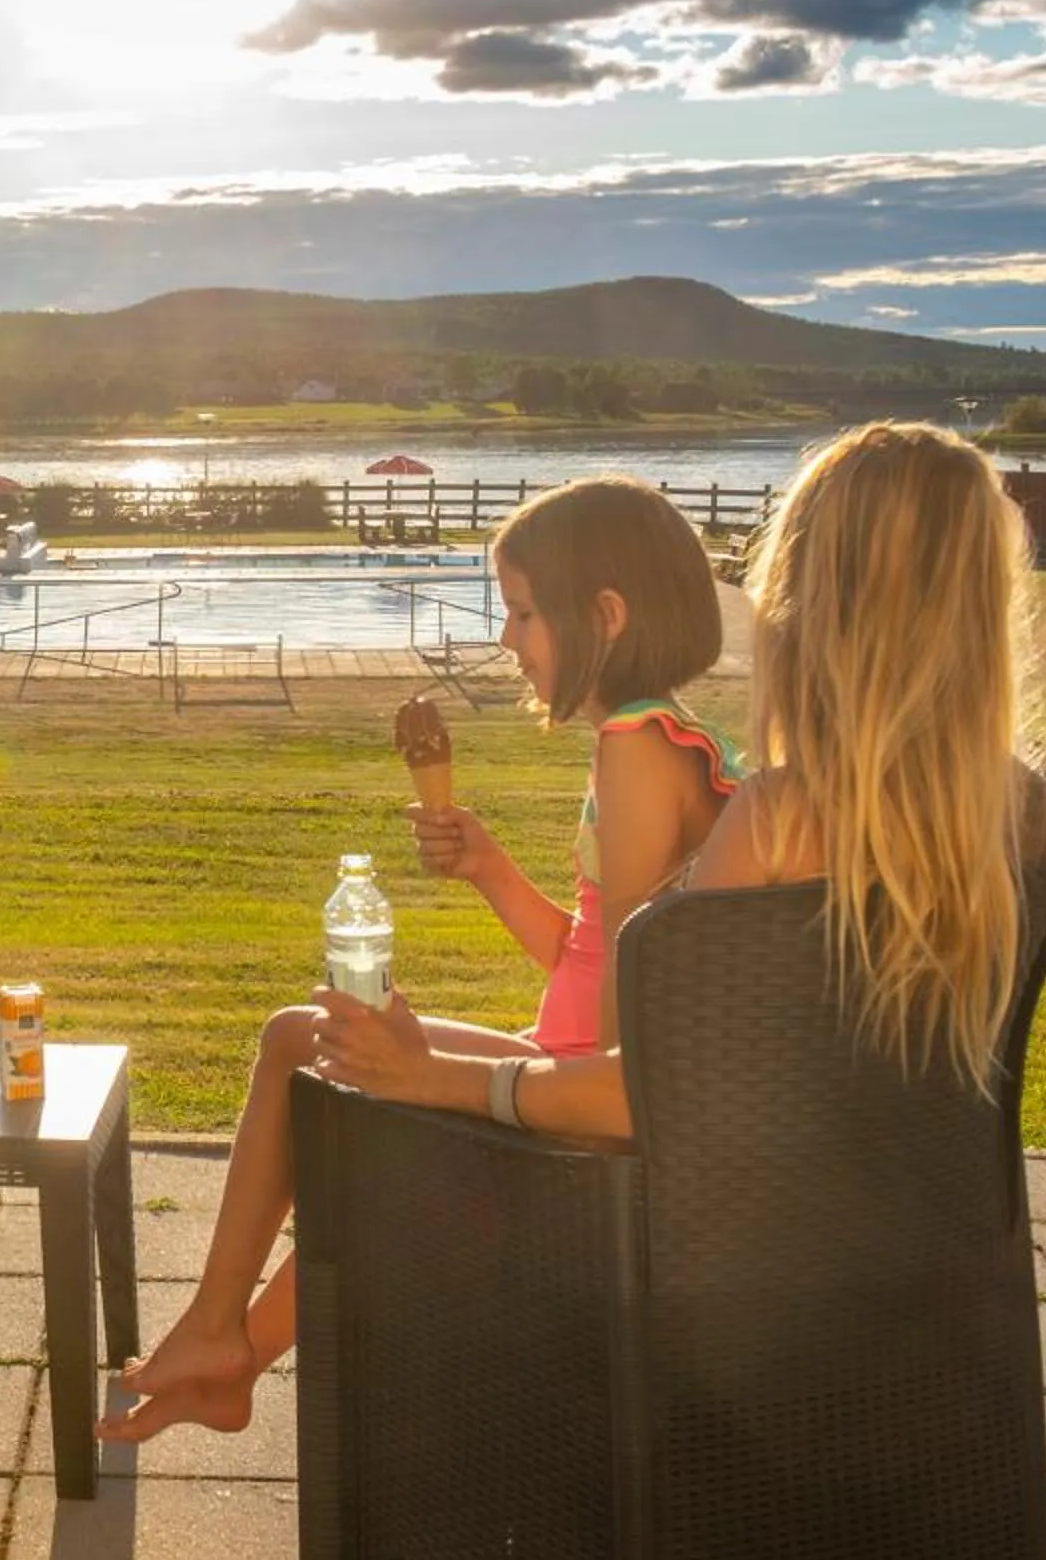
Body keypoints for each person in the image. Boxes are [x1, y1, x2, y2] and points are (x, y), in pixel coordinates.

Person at [103, 475, 739, 1444]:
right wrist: (487, 868)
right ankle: (225, 1344)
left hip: (580, 1122)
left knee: (308, 1052)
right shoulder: (666, 736)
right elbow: (592, 958)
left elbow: (622, 1059)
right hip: (566, 1069)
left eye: (523, 612)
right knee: (318, 1055)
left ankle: (222, 1338)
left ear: (603, 616)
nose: (507, 639)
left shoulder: (633, 749)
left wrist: (444, 1077)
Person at [311, 422, 1046, 1136]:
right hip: (936, 1238)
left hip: (722, 1241)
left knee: (353, 1132)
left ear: (803, 608)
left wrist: (431, 1078)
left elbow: (639, 1091)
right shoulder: (1032, 809)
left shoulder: (776, 821)